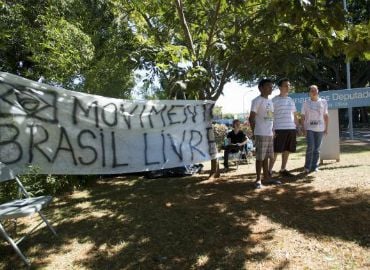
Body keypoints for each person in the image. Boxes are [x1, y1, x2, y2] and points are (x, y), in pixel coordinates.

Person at [249, 78, 281, 189]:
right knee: (259, 157)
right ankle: (258, 180)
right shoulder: (257, 100)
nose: (270, 88)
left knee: (267, 157)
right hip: (260, 133)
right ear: (260, 88)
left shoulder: (270, 101)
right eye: (268, 86)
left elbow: (270, 117)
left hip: (269, 133)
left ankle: (266, 178)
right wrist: (254, 132)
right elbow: (251, 118)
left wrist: (273, 130)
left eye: (271, 86)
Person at [268, 78, 299, 177]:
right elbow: (269, 116)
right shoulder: (274, 100)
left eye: (289, 85)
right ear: (280, 87)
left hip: (291, 128)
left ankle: (283, 169)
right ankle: (268, 171)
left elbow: (294, 115)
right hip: (278, 129)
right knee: (276, 150)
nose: (288, 87)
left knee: (287, 150)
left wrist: (297, 127)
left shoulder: (290, 100)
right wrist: (271, 129)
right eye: (286, 85)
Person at [301, 85, 329, 173]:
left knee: (317, 148)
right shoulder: (306, 103)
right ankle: (307, 167)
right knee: (311, 147)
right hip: (309, 128)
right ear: (309, 93)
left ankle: (314, 167)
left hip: (320, 128)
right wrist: (303, 128)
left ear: (318, 91)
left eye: (315, 90)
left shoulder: (323, 102)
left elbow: (326, 115)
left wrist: (326, 128)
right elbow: (302, 117)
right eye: (312, 91)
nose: (314, 92)